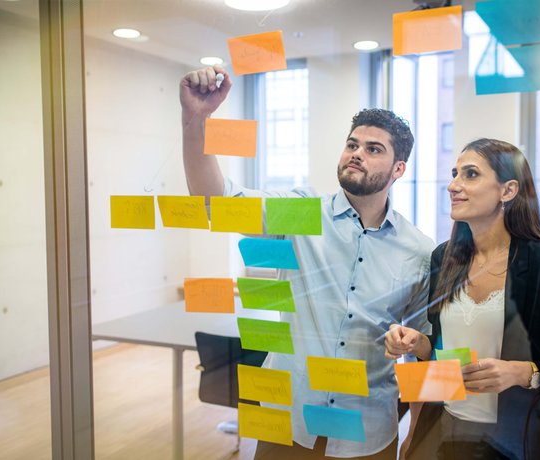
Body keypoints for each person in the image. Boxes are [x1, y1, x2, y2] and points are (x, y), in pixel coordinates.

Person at [180, 65, 434, 459]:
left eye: (373, 149)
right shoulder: (302, 213)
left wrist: (416, 431)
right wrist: (196, 120)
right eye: (352, 144)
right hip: (289, 423)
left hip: (367, 432)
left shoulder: (418, 250)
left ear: (398, 169)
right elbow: (215, 203)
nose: (356, 154)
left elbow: (425, 347)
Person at [385, 138, 540, 459]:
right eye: (455, 173)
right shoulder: (444, 257)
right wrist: (420, 344)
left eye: (470, 174)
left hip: (514, 441)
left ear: (508, 191)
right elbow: (443, 352)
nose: (453, 185)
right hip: (443, 429)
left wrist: (523, 372)